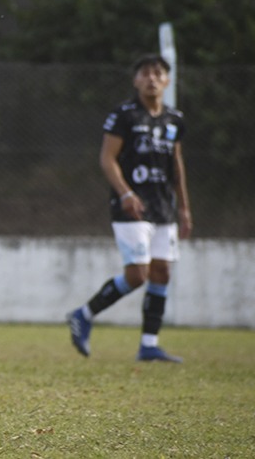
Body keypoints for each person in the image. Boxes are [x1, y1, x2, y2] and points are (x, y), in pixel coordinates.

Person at [67, 54, 192, 363]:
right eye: (145, 73)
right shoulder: (124, 115)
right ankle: (83, 314)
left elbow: (176, 164)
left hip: (163, 205)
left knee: (161, 271)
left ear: (167, 81)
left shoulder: (174, 119)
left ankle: (149, 344)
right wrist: (125, 193)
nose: (151, 78)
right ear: (135, 80)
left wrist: (184, 208)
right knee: (138, 274)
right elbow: (107, 158)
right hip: (131, 206)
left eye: (158, 73)